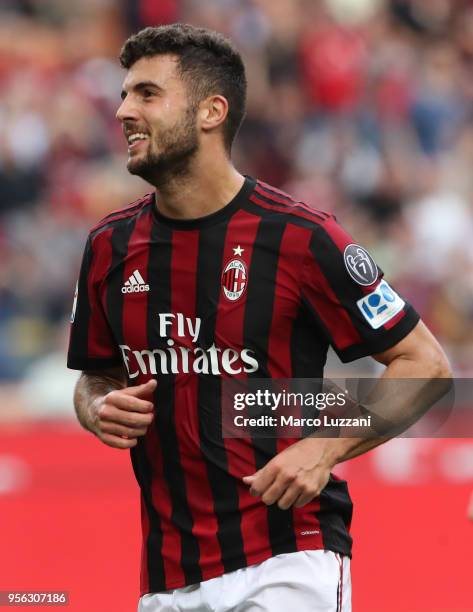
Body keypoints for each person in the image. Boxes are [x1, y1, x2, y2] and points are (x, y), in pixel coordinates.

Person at [67, 23, 451, 612]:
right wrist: (97, 404)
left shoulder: (302, 237)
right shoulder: (108, 247)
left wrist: (323, 447)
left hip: (287, 560)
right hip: (167, 576)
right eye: (124, 95)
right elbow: (95, 375)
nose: (122, 111)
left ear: (211, 112)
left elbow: (424, 363)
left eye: (146, 94)